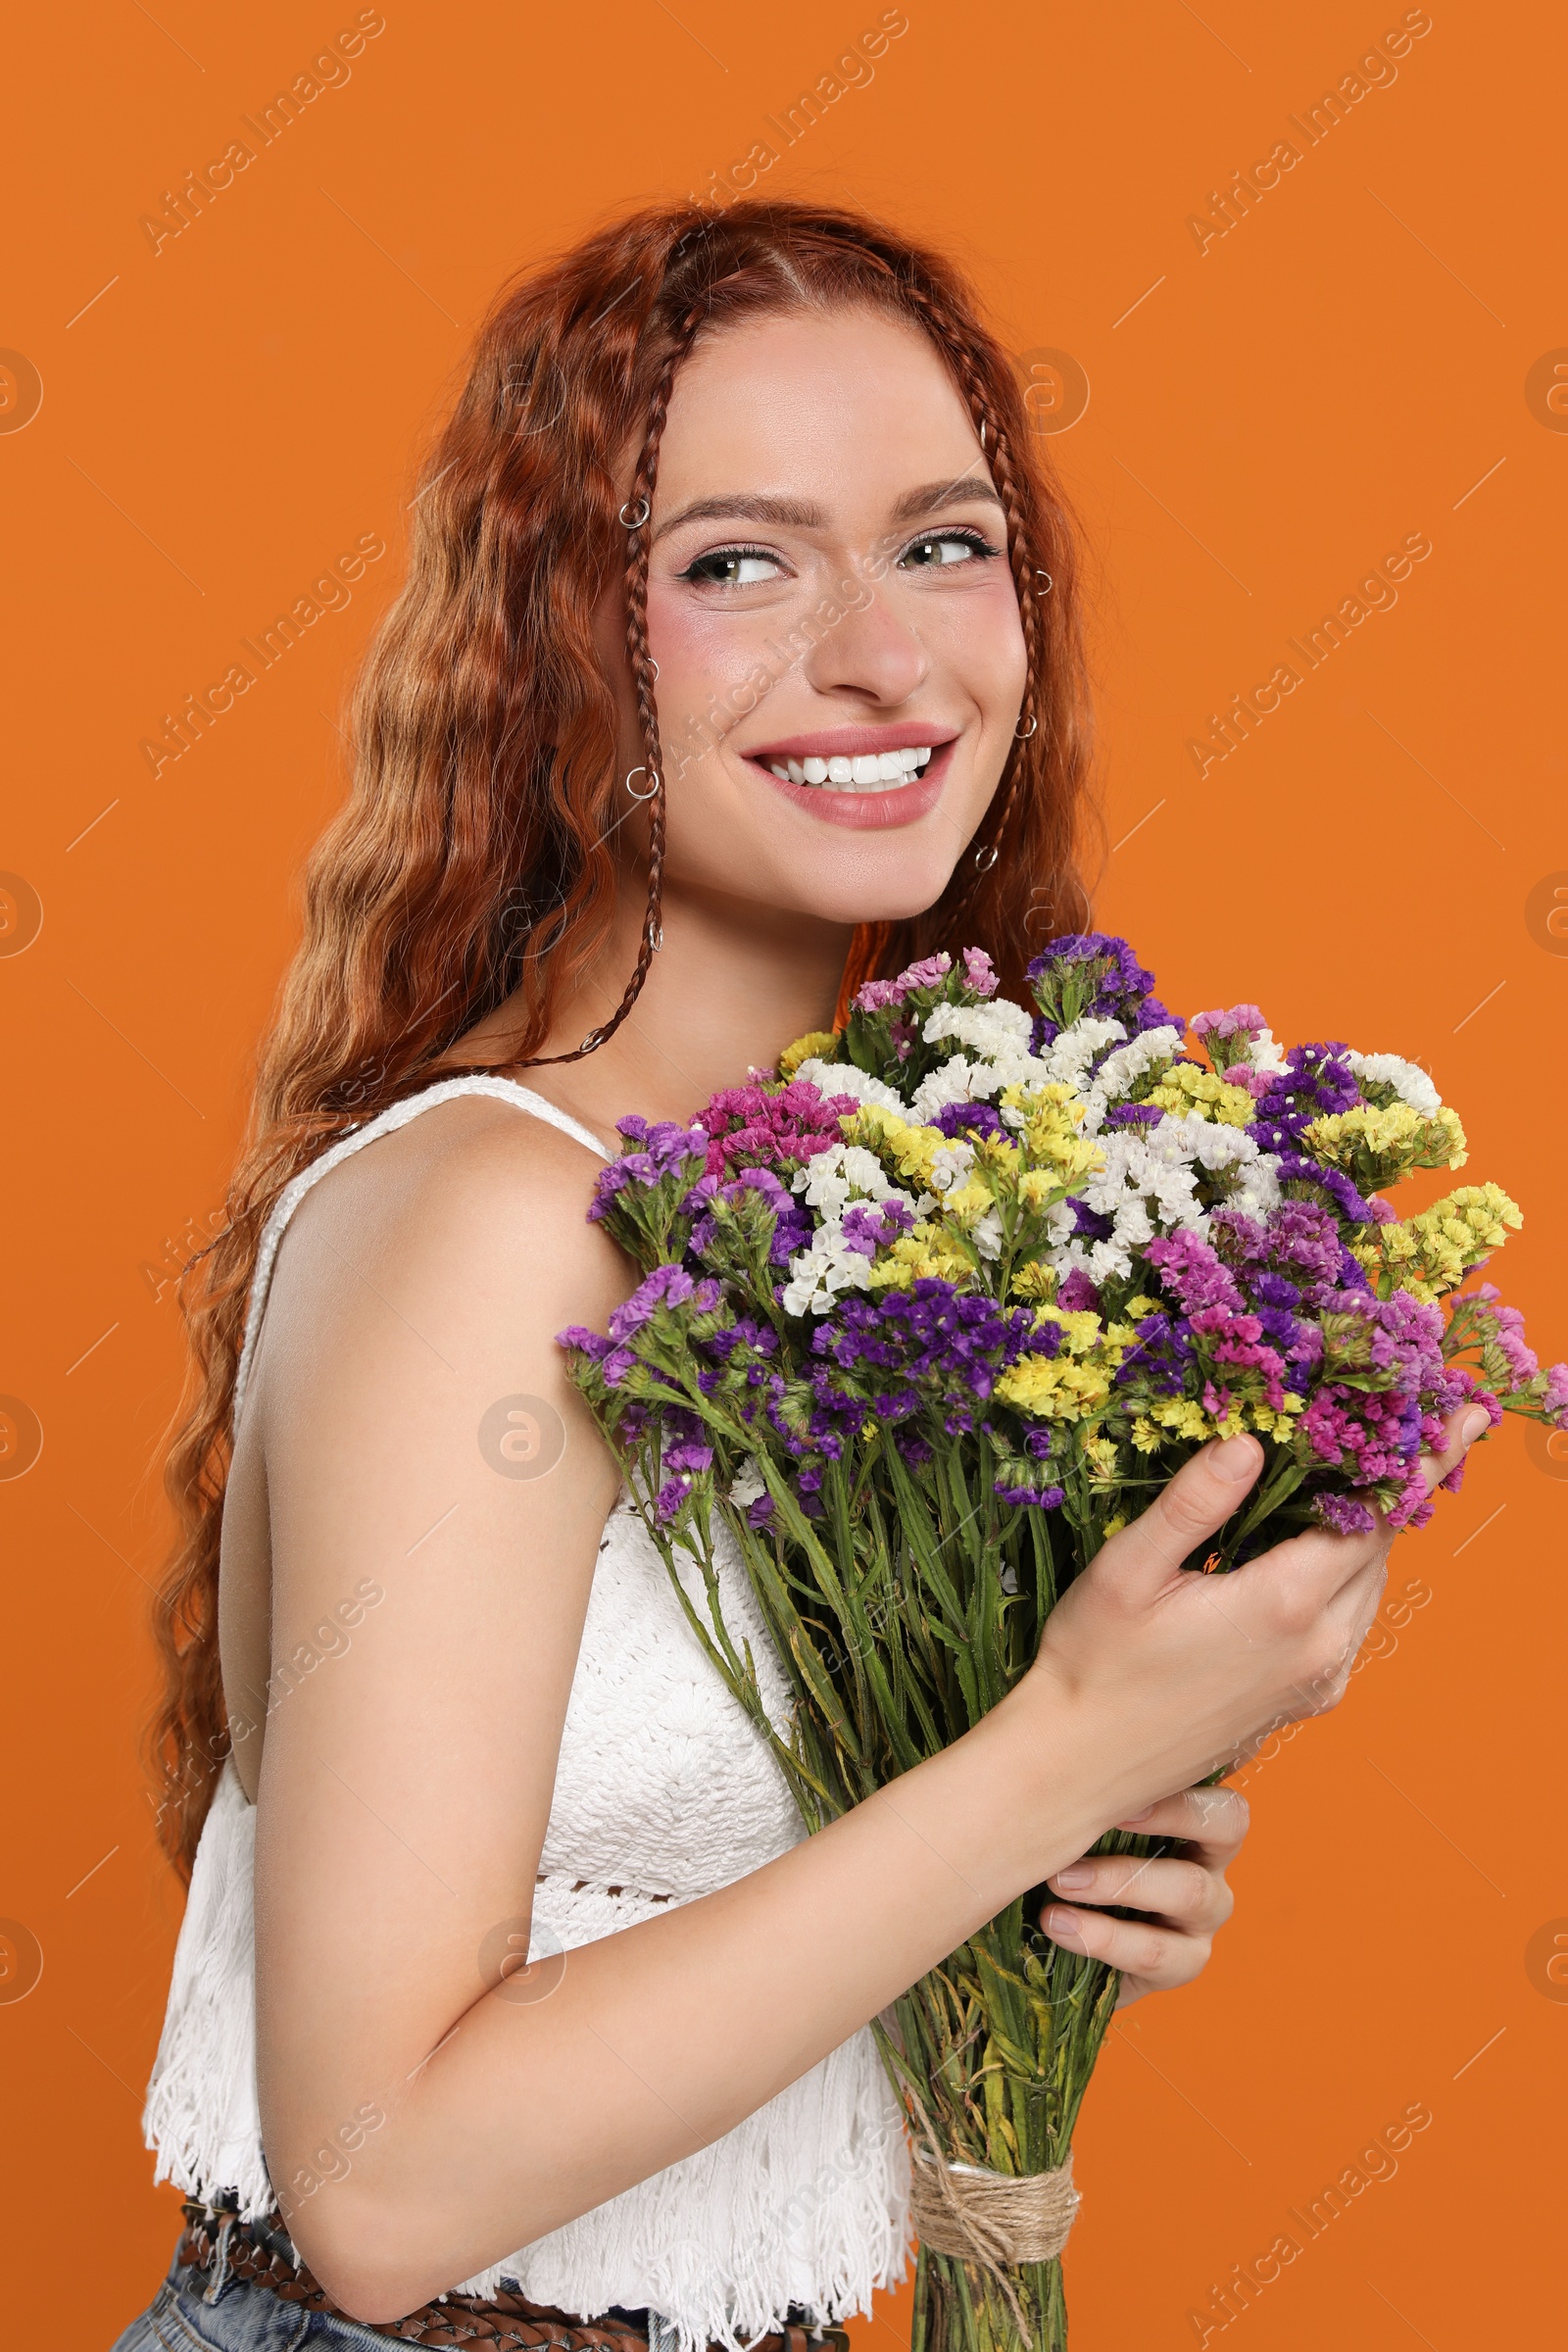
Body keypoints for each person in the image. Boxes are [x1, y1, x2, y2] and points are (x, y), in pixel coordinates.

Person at [112, 198, 1486, 2352]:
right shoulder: (498, 1214)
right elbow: (381, 2195)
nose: (881, 655)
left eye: (943, 542)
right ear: (550, 635)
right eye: (736, 563)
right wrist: (1046, 1754)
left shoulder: (870, 1241)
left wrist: (1071, 1847)